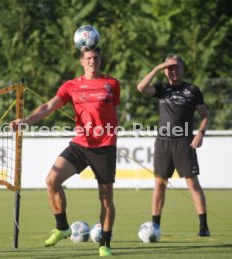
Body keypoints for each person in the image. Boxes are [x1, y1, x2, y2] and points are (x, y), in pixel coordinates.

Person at [11, 47, 120, 256]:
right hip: (80, 143)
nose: (93, 61)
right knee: (52, 180)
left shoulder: (112, 84)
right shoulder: (71, 85)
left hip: (105, 146)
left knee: (106, 198)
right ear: (81, 61)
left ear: (100, 60)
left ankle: (105, 243)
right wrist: (26, 121)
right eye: (88, 58)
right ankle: (62, 227)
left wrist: (111, 136)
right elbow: (48, 107)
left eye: (96, 57)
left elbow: (113, 112)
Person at [137, 54, 210, 237]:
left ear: (183, 68)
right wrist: (157, 67)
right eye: (169, 68)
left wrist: (200, 133)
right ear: (165, 70)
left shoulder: (192, 90)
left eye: (176, 66)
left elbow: (205, 116)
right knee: (159, 185)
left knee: (192, 184)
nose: (173, 71)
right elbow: (141, 87)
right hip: (163, 143)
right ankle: (155, 227)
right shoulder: (162, 89)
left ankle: (203, 226)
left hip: (184, 142)